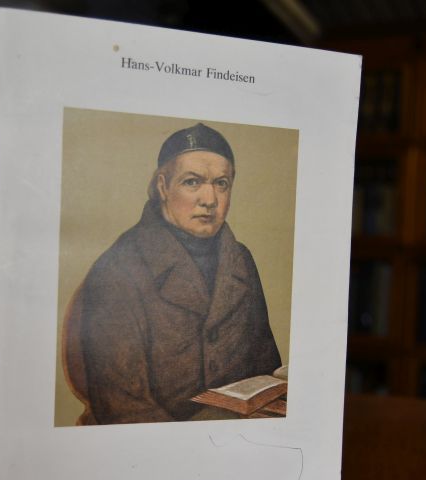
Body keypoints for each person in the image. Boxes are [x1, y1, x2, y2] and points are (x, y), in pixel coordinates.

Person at [77, 123, 281, 425]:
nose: (210, 199)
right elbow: (123, 406)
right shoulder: (118, 269)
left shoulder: (241, 261)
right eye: (192, 182)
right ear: (163, 187)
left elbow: (266, 372)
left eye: (221, 183)